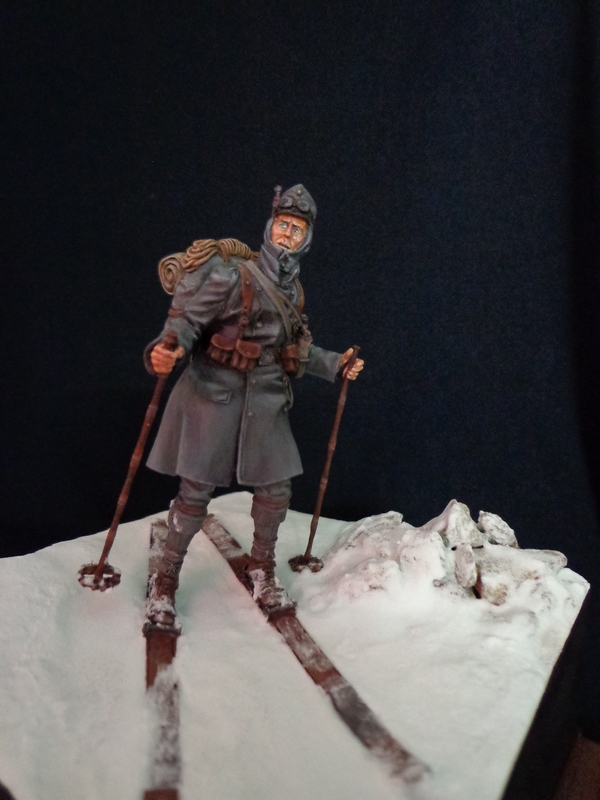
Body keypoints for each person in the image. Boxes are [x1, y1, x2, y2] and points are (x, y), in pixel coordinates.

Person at [145, 184, 363, 625]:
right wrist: (168, 348)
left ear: (305, 239)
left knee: (276, 492)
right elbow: (188, 322)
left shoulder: (293, 292)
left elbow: (295, 351)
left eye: (296, 230)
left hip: (264, 399)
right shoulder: (232, 276)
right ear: (270, 226)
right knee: (194, 495)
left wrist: (335, 365)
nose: (287, 235)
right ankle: (165, 580)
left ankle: (261, 569)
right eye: (283, 225)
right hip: (213, 394)